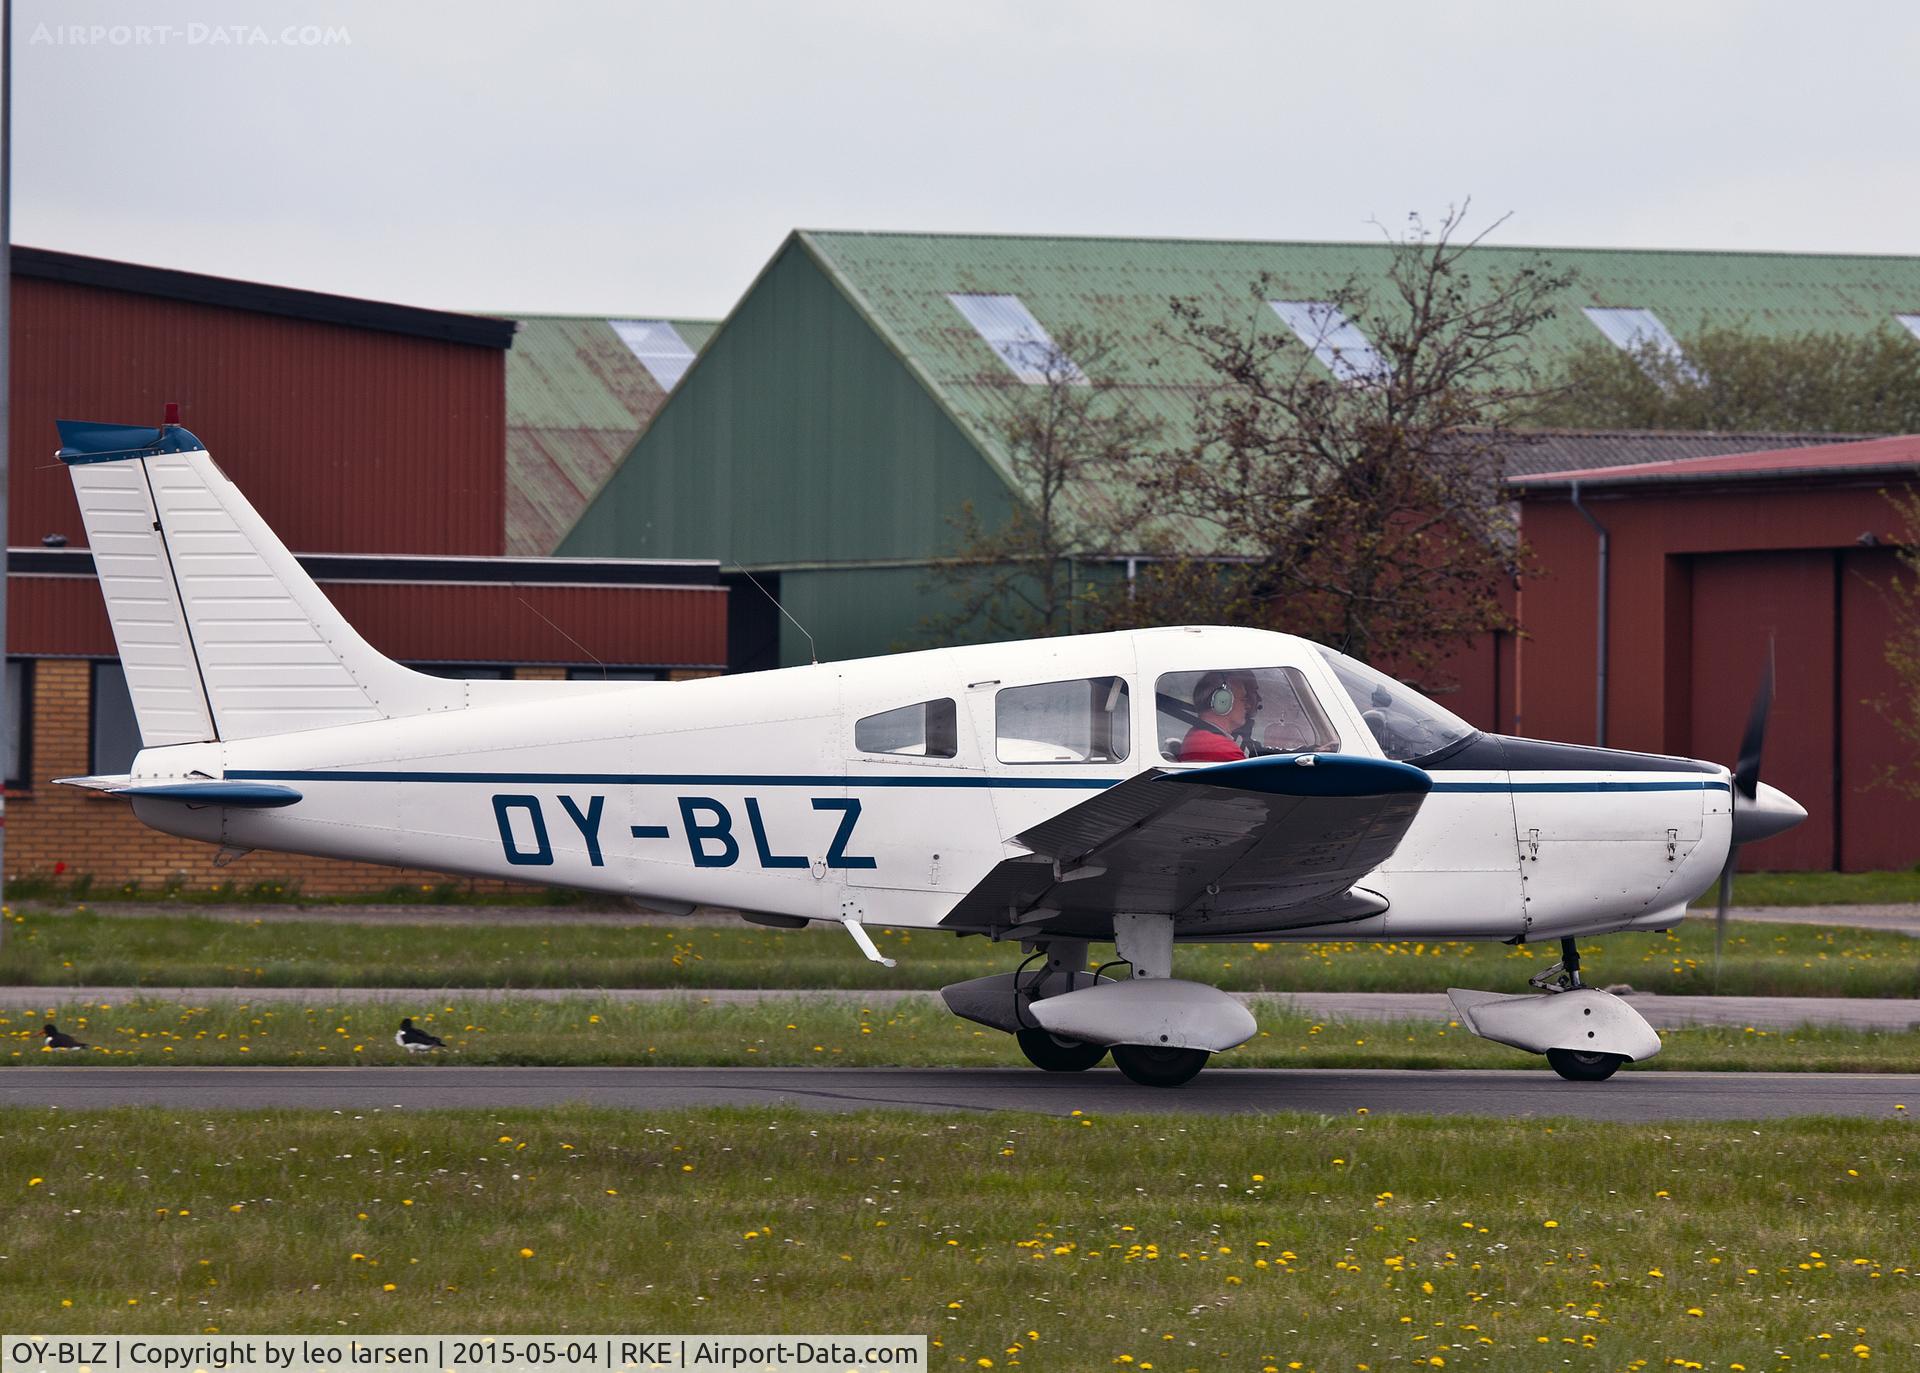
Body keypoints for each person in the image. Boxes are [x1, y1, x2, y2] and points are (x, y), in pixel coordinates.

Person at [1178, 671, 1261, 761]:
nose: (1247, 706)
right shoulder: (1223, 749)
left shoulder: (1198, 736)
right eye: (1243, 699)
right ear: (1222, 702)